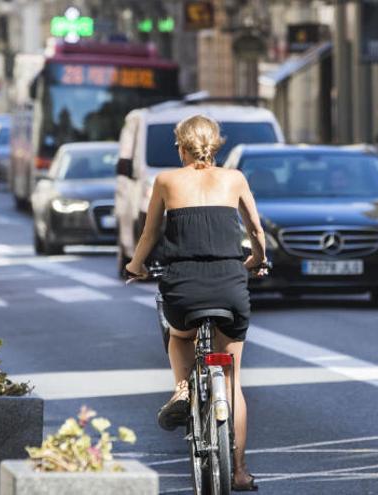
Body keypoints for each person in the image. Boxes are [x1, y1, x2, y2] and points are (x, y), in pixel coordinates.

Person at [125, 115, 268, 492]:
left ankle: (182, 388)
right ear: (215, 145)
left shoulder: (167, 180)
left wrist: (136, 265)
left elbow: (151, 231)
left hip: (184, 287)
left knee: (180, 337)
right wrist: (258, 259)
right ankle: (238, 470)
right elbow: (255, 228)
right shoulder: (234, 178)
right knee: (233, 377)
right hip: (230, 285)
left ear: (181, 147)